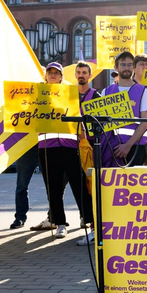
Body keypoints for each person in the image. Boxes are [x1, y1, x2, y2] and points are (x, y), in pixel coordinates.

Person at [37, 62, 93, 239]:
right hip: (47, 146)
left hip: (69, 146)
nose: (53, 75)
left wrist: (82, 136)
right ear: (46, 76)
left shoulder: (70, 93)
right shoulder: (37, 95)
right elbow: (28, 118)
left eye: (56, 73)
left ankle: (89, 221)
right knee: (52, 187)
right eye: (50, 73)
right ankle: (60, 224)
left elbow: (78, 117)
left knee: (79, 185)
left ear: (62, 76)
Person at [102, 52, 147, 167]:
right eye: (123, 64)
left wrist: (128, 145)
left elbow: (144, 123)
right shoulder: (106, 91)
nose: (126, 68)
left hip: (135, 147)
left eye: (129, 65)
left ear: (133, 67)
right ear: (116, 67)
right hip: (112, 147)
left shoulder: (143, 91)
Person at [74, 61, 98, 245]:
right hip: (69, 146)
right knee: (79, 189)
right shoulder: (67, 96)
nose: (81, 75)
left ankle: (93, 229)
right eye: (79, 72)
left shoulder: (96, 96)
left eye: (84, 72)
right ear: (75, 75)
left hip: (90, 147)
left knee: (91, 189)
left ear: (90, 75)